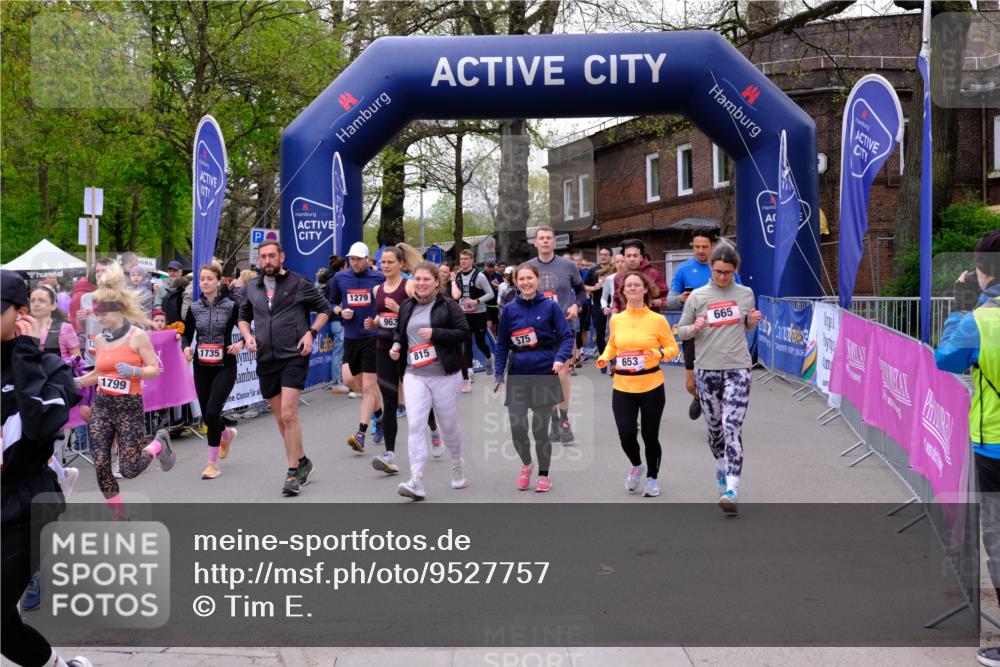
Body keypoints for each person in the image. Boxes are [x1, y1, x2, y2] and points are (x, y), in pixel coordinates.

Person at [2, 271, 94, 667]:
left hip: (25, 506)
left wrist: (23, 351)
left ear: (21, 314)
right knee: (5, 628)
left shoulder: (51, 368)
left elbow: (42, 424)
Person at [932, 230, 1000, 667]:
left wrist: (960, 306)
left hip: (993, 445)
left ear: (982, 272)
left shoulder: (980, 320)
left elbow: (946, 359)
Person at [73, 282, 176, 515]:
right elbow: (99, 374)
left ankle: (158, 444)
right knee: (100, 464)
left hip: (129, 407)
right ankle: (118, 516)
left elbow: (154, 369)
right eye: (97, 314)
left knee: (130, 469)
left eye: (104, 314)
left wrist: (135, 372)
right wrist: (78, 382)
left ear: (118, 311)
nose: (100, 319)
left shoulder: (137, 336)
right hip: (102, 405)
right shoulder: (100, 340)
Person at [238, 240, 330, 496]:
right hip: (266, 357)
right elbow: (243, 317)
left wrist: (311, 333)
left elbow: (324, 310)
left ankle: (292, 473)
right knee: (280, 419)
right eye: (263, 257)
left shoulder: (298, 283)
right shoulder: (251, 287)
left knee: (289, 415)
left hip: (293, 354)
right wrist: (247, 336)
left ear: (281, 256)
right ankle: (302, 462)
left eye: (271, 256)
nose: (267, 261)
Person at [676, 244, 761, 514]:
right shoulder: (698, 296)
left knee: (732, 426)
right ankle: (722, 466)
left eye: (727, 272)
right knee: (715, 431)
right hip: (706, 370)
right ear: (711, 269)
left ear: (735, 270)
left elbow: (746, 323)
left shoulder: (745, 293)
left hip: (738, 368)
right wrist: (695, 326)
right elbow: (681, 331)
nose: (722, 277)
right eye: (717, 272)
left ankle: (732, 489)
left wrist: (752, 321)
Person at [390, 262, 470, 500]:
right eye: (418, 279)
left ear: (437, 282)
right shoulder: (406, 306)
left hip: (444, 374)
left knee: (447, 425)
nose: (421, 284)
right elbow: (400, 332)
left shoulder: (449, 305)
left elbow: (464, 333)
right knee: (415, 425)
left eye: (426, 279)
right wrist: (396, 346)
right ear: (412, 281)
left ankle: (457, 463)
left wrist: (436, 333)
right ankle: (417, 480)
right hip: (414, 373)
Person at [596, 272, 679, 498]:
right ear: (622, 292)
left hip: (652, 385)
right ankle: (637, 465)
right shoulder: (616, 319)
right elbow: (613, 345)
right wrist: (604, 356)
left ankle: (652, 478)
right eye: (628, 286)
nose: (632, 288)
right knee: (626, 434)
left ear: (645, 289)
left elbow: (674, 349)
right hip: (623, 386)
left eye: (637, 285)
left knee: (650, 436)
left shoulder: (657, 320)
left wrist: (657, 353)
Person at [494, 263, 574, 493]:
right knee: (517, 427)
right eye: (521, 279)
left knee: (540, 430)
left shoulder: (550, 307)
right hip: (518, 374)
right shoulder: (509, 310)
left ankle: (543, 474)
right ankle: (527, 465)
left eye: (530, 278)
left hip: (544, 373)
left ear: (537, 279)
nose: (526, 282)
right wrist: (499, 374)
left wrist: (560, 358)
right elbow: (501, 345)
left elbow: (566, 337)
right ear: (516, 281)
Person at [667, 231, 742, 421]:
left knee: (722, 381)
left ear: (712, 246)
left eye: (704, 247)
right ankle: (698, 397)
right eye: (696, 247)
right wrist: (681, 298)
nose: (700, 251)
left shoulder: (723, 267)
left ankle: (720, 415)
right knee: (691, 383)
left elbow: (739, 296)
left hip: (723, 334)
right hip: (695, 333)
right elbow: (670, 302)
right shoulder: (684, 270)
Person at [183, 264, 243, 480]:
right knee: (210, 415)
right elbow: (186, 333)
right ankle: (226, 434)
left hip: (225, 365)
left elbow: (246, 327)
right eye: (202, 279)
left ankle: (212, 464)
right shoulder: (194, 308)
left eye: (209, 278)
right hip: (201, 366)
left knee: (211, 412)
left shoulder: (231, 305)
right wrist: (186, 347)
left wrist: (241, 343)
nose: (205, 282)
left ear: (219, 281)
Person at [527, 226, 586, 444]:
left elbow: (581, 291)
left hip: (564, 326)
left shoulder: (568, 265)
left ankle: (564, 420)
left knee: (561, 375)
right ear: (535, 242)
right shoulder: (528, 267)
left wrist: (576, 306)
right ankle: (552, 418)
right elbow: (520, 296)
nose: (544, 242)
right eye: (541, 238)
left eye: (548, 238)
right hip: (538, 330)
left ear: (554, 242)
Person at [328, 241, 386, 451]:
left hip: (373, 336)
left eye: (358, 259)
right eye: (352, 259)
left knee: (369, 386)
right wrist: (340, 312)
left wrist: (379, 318)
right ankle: (380, 417)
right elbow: (331, 302)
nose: (355, 263)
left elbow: (387, 299)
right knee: (351, 381)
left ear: (367, 259)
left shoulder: (378, 277)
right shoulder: (340, 278)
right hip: (350, 337)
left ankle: (361, 433)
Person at [368, 247, 416, 474]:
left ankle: (433, 427)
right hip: (384, 348)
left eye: (389, 262)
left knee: (420, 400)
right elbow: (382, 316)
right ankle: (390, 454)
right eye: (382, 262)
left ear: (400, 264)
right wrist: (374, 323)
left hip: (409, 348)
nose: (385, 266)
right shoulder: (377, 289)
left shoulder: (409, 286)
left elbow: (420, 315)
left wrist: (400, 310)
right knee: (388, 400)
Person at [452, 249, 495, 390]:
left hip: (479, 313)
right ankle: (469, 372)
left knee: (480, 342)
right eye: (461, 259)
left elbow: (490, 293)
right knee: (467, 343)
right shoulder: (457, 276)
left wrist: (476, 301)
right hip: (463, 314)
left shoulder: (480, 276)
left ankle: (489, 357)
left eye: (465, 259)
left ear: (471, 260)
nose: (463, 261)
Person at [612, 239, 668, 313]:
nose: (632, 259)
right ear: (624, 258)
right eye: (628, 256)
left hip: (649, 319)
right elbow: (616, 299)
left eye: (635, 255)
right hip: (625, 320)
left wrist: (653, 302)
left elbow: (667, 298)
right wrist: (614, 312)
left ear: (641, 257)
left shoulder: (654, 274)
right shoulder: (618, 277)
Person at [30, 285, 81, 359]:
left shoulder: (65, 328)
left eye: (41, 300)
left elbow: (78, 361)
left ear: (53, 306)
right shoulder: (24, 327)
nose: (36, 304)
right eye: (32, 301)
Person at [589, 248, 614, 360]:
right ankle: (603, 356)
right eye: (601, 254)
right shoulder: (593, 270)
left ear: (611, 256)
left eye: (606, 254)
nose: (603, 256)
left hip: (614, 304)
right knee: (600, 332)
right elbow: (583, 286)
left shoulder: (615, 269)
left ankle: (613, 359)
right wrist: (593, 287)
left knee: (614, 333)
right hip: (598, 305)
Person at [484, 260, 502, 334]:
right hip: (485, 304)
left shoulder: (498, 275)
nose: (489, 269)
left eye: (491, 267)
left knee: (495, 326)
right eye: (487, 267)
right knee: (489, 325)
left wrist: (497, 287)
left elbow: (502, 288)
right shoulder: (481, 275)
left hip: (495, 305)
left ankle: (494, 342)